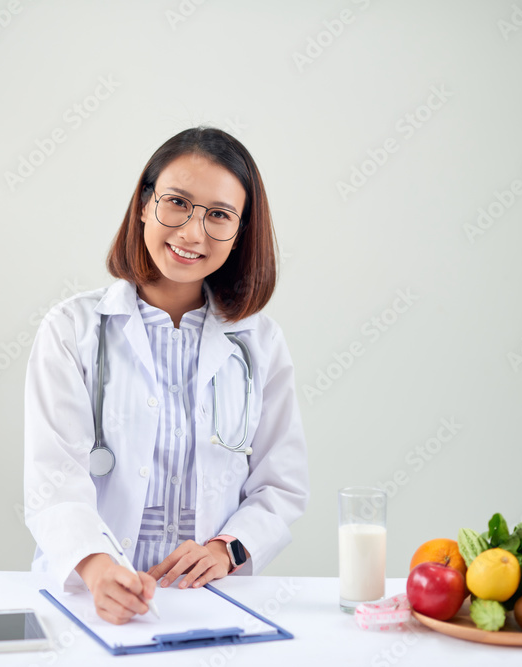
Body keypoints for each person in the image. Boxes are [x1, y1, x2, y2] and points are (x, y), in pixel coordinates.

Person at [23, 127, 309, 625]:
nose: (192, 233)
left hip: (211, 599)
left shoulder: (259, 342)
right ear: (143, 204)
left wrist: (228, 550)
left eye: (219, 215)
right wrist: (96, 568)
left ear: (239, 233)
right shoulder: (72, 329)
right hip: (90, 598)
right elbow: (53, 478)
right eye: (177, 202)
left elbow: (279, 486)